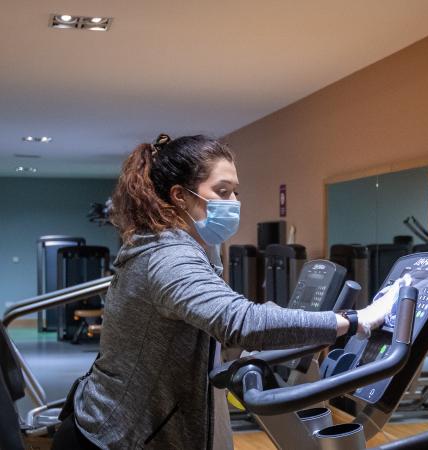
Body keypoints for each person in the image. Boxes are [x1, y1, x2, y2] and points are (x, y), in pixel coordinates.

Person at [51, 134, 402, 449]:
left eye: (235, 191)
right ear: (179, 196)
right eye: (222, 191)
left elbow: (215, 327)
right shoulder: (168, 257)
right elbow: (240, 321)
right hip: (116, 438)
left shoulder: (182, 247)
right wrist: (358, 320)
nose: (234, 201)